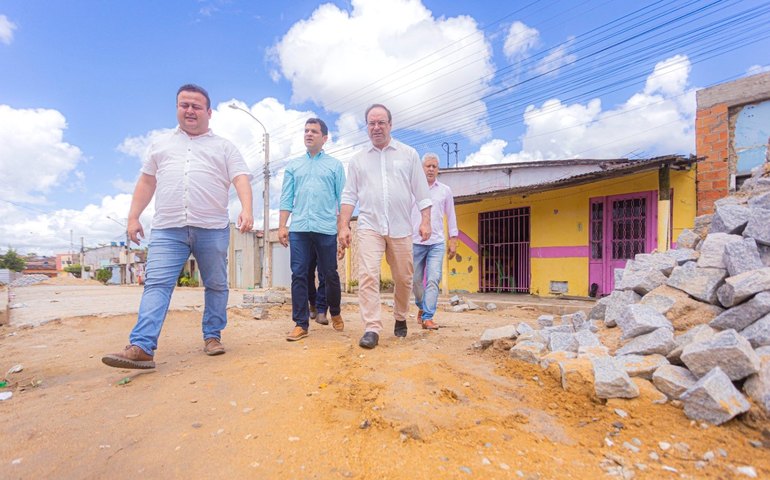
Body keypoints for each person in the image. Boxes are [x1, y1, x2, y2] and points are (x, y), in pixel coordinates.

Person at [102, 84, 253, 369]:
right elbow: (147, 182)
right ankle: (142, 346)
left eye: (196, 106)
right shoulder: (161, 145)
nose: (190, 110)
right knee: (157, 283)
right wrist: (133, 217)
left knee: (217, 284)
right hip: (168, 229)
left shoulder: (224, 146)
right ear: (177, 109)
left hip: (212, 227)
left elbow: (241, 178)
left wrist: (247, 209)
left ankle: (212, 336)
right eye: (184, 105)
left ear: (209, 112)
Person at [338, 104, 431, 349]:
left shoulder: (408, 154)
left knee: (404, 277)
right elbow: (349, 196)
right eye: (371, 123)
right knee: (368, 274)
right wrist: (344, 226)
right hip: (370, 226)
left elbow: (422, 192)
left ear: (390, 125)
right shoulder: (358, 160)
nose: (376, 127)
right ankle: (371, 327)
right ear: (366, 126)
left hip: (401, 227)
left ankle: (400, 316)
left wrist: (426, 220)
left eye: (381, 123)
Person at [279, 118, 345, 341]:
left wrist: (343, 227)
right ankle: (300, 324)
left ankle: (334, 311)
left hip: (326, 229)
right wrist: (282, 226)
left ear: (324, 138)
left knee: (330, 274)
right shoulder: (294, 166)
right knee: (299, 274)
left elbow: (342, 198)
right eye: (306, 130)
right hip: (299, 229)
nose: (309, 134)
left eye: (314, 131)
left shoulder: (335, 166)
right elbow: (287, 197)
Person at [412, 153, 458, 330]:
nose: (431, 169)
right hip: (415, 241)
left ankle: (428, 317)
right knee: (415, 281)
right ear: (421, 168)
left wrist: (453, 240)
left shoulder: (445, 190)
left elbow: (451, 215)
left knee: (433, 279)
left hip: (437, 243)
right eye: (428, 166)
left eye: (434, 166)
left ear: (438, 169)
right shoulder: (412, 188)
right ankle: (422, 307)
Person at [307, 253, 328, 325]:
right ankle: (313, 302)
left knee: (325, 274)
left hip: (324, 242)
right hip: (307, 243)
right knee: (307, 273)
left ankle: (321, 310)